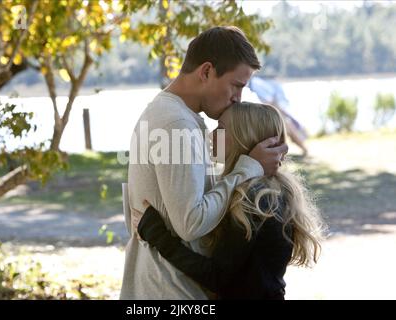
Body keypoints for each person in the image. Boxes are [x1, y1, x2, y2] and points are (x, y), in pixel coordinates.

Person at [120, 26, 288, 299]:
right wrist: (249, 168)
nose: (238, 98)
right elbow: (191, 223)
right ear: (207, 71)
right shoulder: (176, 124)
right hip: (171, 292)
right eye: (237, 85)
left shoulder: (171, 116)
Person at [136, 102, 326, 299]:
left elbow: (217, 276)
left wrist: (155, 233)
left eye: (221, 128)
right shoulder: (270, 190)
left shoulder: (255, 200)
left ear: (243, 138)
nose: (211, 136)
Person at [249, 76, 309, 157]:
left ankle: (303, 149)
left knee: (288, 129)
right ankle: (303, 149)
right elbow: (270, 100)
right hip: (271, 111)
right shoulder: (255, 83)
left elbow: (270, 100)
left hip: (273, 111)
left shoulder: (255, 83)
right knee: (288, 129)